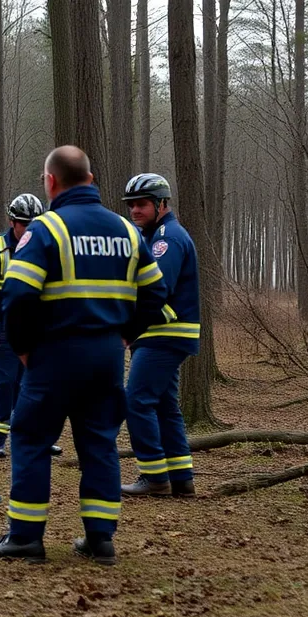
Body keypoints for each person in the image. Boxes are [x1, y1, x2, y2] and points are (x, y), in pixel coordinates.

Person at [0, 146, 168, 566]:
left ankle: (26, 537)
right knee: (99, 443)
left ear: (50, 182)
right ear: (91, 176)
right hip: (106, 358)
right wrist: (124, 335)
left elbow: (17, 295)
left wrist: (25, 349)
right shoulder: (127, 230)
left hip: (54, 356)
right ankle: (100, 539)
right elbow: (156, 293)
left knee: (29, 438)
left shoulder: (46, 230)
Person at [120, 174, 201, 498]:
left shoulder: (166, 239)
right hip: (164, 334)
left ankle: (153, 475)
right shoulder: (156, 235)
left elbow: (157, 291)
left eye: (141, 204)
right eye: (131, 205)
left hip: (163, 334)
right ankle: (182, 478)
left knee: (136, 400)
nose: (135, 211)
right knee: (166, 406)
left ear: (162, 204)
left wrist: (129, 330)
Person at [0, 193, 62, 460]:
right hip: (3, 328)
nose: (29, 230)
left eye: (34, 224)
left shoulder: (45, 249)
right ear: (13, 222)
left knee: (35, 386)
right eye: (25, 224)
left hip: (36, 329)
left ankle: (37, 438)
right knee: (4, 383)